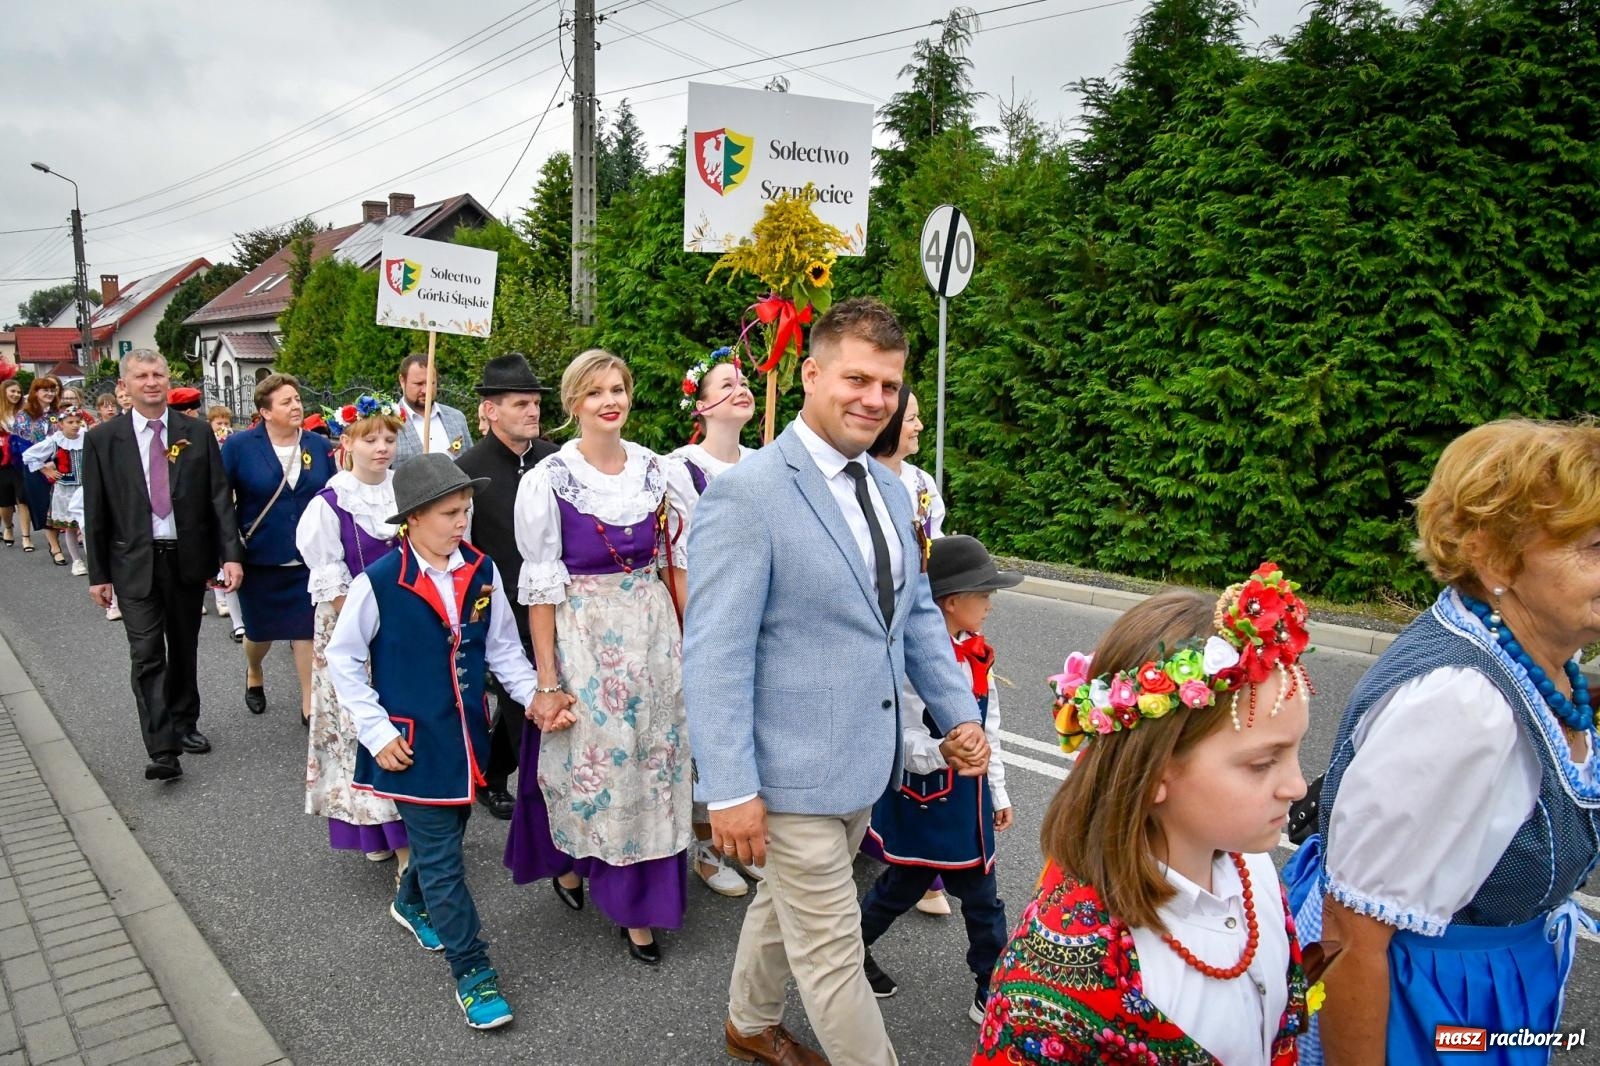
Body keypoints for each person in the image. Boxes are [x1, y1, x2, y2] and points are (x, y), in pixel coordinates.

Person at [683, 297, 990, 1066]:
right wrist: (729, 788)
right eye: (857, 379)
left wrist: (958, 714)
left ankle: (749, 1024)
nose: (874, 399)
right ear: (812, 375)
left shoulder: (891, 490)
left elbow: (914, 617)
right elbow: (715, 655)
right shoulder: (747, 495)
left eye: (888, 385)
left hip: (864, 764)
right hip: (787, 776)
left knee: (782, 901)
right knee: (832, 952)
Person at [1284, 419, 1600, 1066]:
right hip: (1429, 1006)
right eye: (1593, 546)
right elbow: (1353, 935)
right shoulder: (1463, 704)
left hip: (1489, 988)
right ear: (1495, 559)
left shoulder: (1539, 656)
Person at [976, 568, 1314, 1064]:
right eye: (1263, 763)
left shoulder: (1253, 868)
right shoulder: (1058, 981)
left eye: (1295, 751)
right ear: (1154, 771)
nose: (1298, 787)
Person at [325, 453, 536, 1031]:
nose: (462, 521)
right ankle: (473, 971)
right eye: (449, 513)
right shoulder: (377, 582)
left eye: (465, 510)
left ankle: (409, 899)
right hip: (409, 746)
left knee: (447, 835)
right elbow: (343, 660)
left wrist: (535, 697)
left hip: (466, 740)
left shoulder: (482, 570)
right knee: (445, 859)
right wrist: (376, 731)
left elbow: (502, 650)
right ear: (413, 519)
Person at [506, 349, 690, 966]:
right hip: (585, 635)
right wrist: (547, 681)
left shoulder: (657, 471)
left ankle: (640, 900)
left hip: (653, 630)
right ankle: (580, 866)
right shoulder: (549, 479)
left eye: (617, 389)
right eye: (595, 392)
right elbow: (540, 590)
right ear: (573, 403)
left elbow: (677, 563)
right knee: (596, 765)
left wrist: (690, 639)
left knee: (656, 761)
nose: (610, 401)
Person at [859, 534, 1015, 1023]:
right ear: (950, 602)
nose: (990, 604)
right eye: (983, 594)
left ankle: (990, 986)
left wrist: (997, 792)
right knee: (904, 887)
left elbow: (990, 728)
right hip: (927, 799)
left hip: (970, 802)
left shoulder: (978, 653)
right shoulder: (911, 665)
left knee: (980, 897)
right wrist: (940, 752)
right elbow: (896, 736)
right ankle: (847, 955)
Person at [81, 349, 243, 781]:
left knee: (184, 645)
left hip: (185, 557)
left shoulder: (197, 432)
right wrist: (99, 575)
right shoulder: (103, 439)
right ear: (125, 386)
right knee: (147, 653)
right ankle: (162, 748)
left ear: (168, 380)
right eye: (141, 376)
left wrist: (230, 555)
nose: (151, 382)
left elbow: (218, 498)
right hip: (133, 562)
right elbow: (95, 510)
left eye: (158, 374)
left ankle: (185, 722)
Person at [662, 346, 759, 898]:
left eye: (744, 382)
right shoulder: (680, 470)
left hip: (761, 613)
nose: (741, 389)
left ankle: (744, 841)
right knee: (707, 729)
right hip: (708, 612)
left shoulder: (766, 462)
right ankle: (704, 844)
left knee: (752, 726)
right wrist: (697, 632)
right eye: (726, 384)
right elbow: (677, 562)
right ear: (699, 406)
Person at [298, 395, 408, 866]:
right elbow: (334, 584)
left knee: (403, 720)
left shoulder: (407, 492)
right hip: (351, 630)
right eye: (370, 439)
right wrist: (369, 627)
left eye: (388, 439)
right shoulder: (330, 505)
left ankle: (409, 822)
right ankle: (374, 826)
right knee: (360, 727)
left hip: (404, 624)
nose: (381, 448)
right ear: (346, 443)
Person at [454, 353, 557, 820]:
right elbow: (463, 550)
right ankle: (543, 812)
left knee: (537, 700)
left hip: (557, 603)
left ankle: (492, 773)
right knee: (525, 709)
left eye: (535, 403)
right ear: (490, 410)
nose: (533, 411)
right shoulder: (468, 471)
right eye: (521, 404)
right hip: (503, 611)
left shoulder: (555, 460)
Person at [863, 386, 953, 916]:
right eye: (912, 418)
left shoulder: (920, 484)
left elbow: (932, 556)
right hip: (876, 624)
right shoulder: (860, 479)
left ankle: (922, 863)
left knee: (920, 723)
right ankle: (877, 834)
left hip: (920, 615)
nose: (919, 426)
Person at [222, 374, 337, 725]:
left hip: (308, 560)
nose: (296, 406)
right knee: (259, 634)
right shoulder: (239, 447)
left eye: (297, 399)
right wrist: (227, 554)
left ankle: (308, 704)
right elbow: (221, 502)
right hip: (260, 558)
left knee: (306, 632)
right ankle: (254, 669)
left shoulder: (318, 444)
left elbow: (332, 496)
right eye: (286, 402)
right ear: (265, 412)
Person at [22, 405, 88, 572]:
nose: (75, 425)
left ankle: (94, 561)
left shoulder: (86, 438)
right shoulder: (56, 441)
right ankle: (77, 560)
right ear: (61, 424)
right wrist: (46, 469)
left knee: (87, 526)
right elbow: (29, 455)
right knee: (71, 527)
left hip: (86, 488)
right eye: (70, 422)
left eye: (77, 421)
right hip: (65, 490)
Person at [393, 353, 472, 466]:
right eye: (419, 384)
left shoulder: (456, 418)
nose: (426, 390)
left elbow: (470, 462)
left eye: (431, 383)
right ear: (402, 381)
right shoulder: (389, 421)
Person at [15, 376, 63, 559]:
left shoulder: (57, 414)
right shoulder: (24, 416)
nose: (50, 393)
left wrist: (56, 462)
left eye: (52, 390)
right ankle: (55, 547)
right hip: (35, 468)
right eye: (45, 390)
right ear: (35, 392)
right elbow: (23, 446)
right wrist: (43, 467)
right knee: (44, 506)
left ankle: (57, 541)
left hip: (59, 464)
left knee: (58, 506)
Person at [0, 378, 31, 549]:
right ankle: (8, 527)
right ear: (4, 392)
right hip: (2, 463)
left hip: (21, 461)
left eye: (19, 392)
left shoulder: (24, 413)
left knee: (23, 499)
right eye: (12, 391)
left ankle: (26, 537)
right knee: (5, 503)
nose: (16, 394)